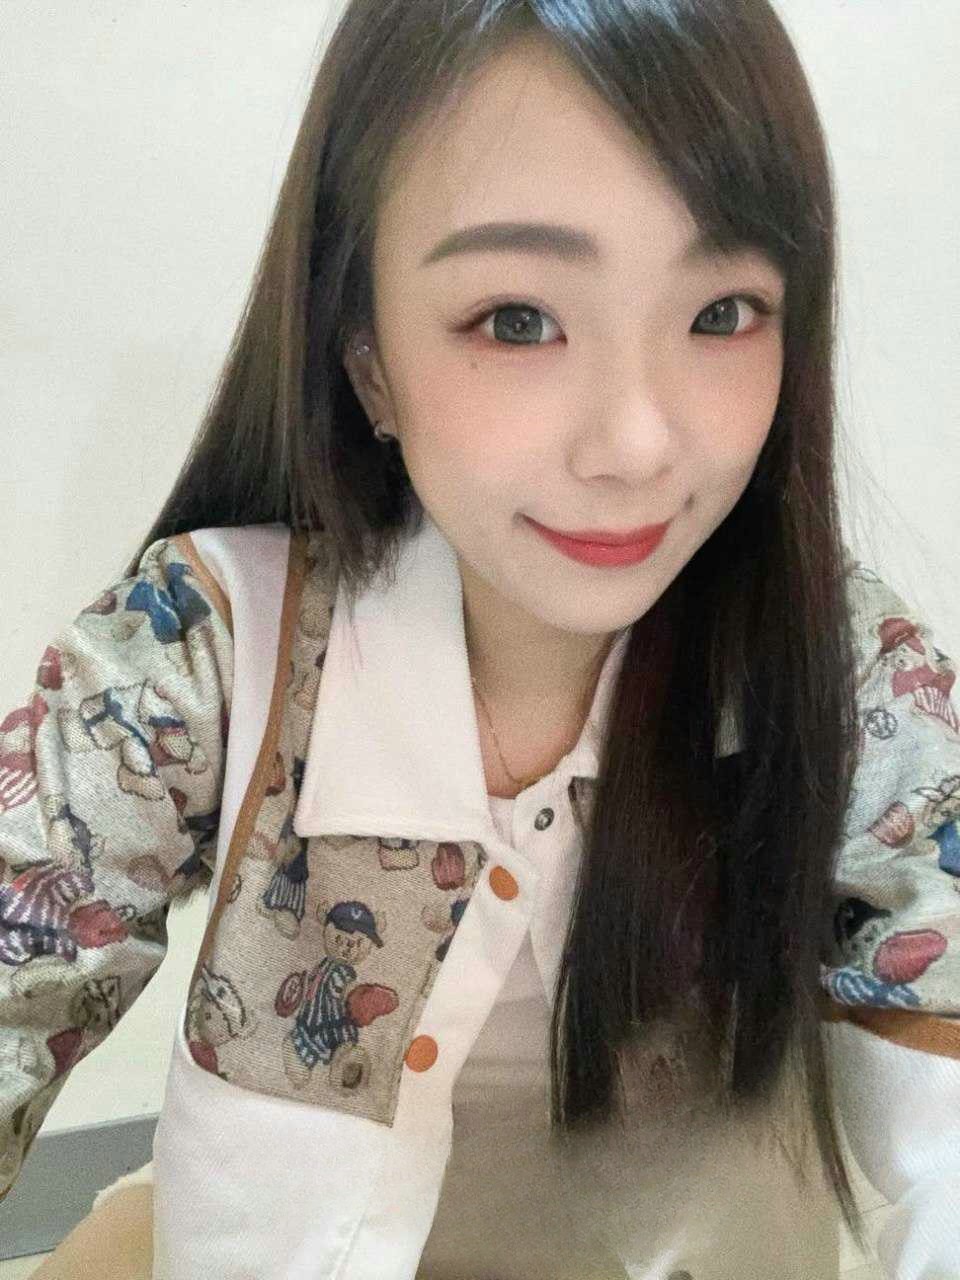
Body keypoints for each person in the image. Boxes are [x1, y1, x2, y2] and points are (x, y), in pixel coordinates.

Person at [2, 0, 958, 1277]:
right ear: (368, 358)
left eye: (723, 311)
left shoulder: (839, 667)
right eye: (518, 319)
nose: (636, 443)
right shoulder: (202, 653)